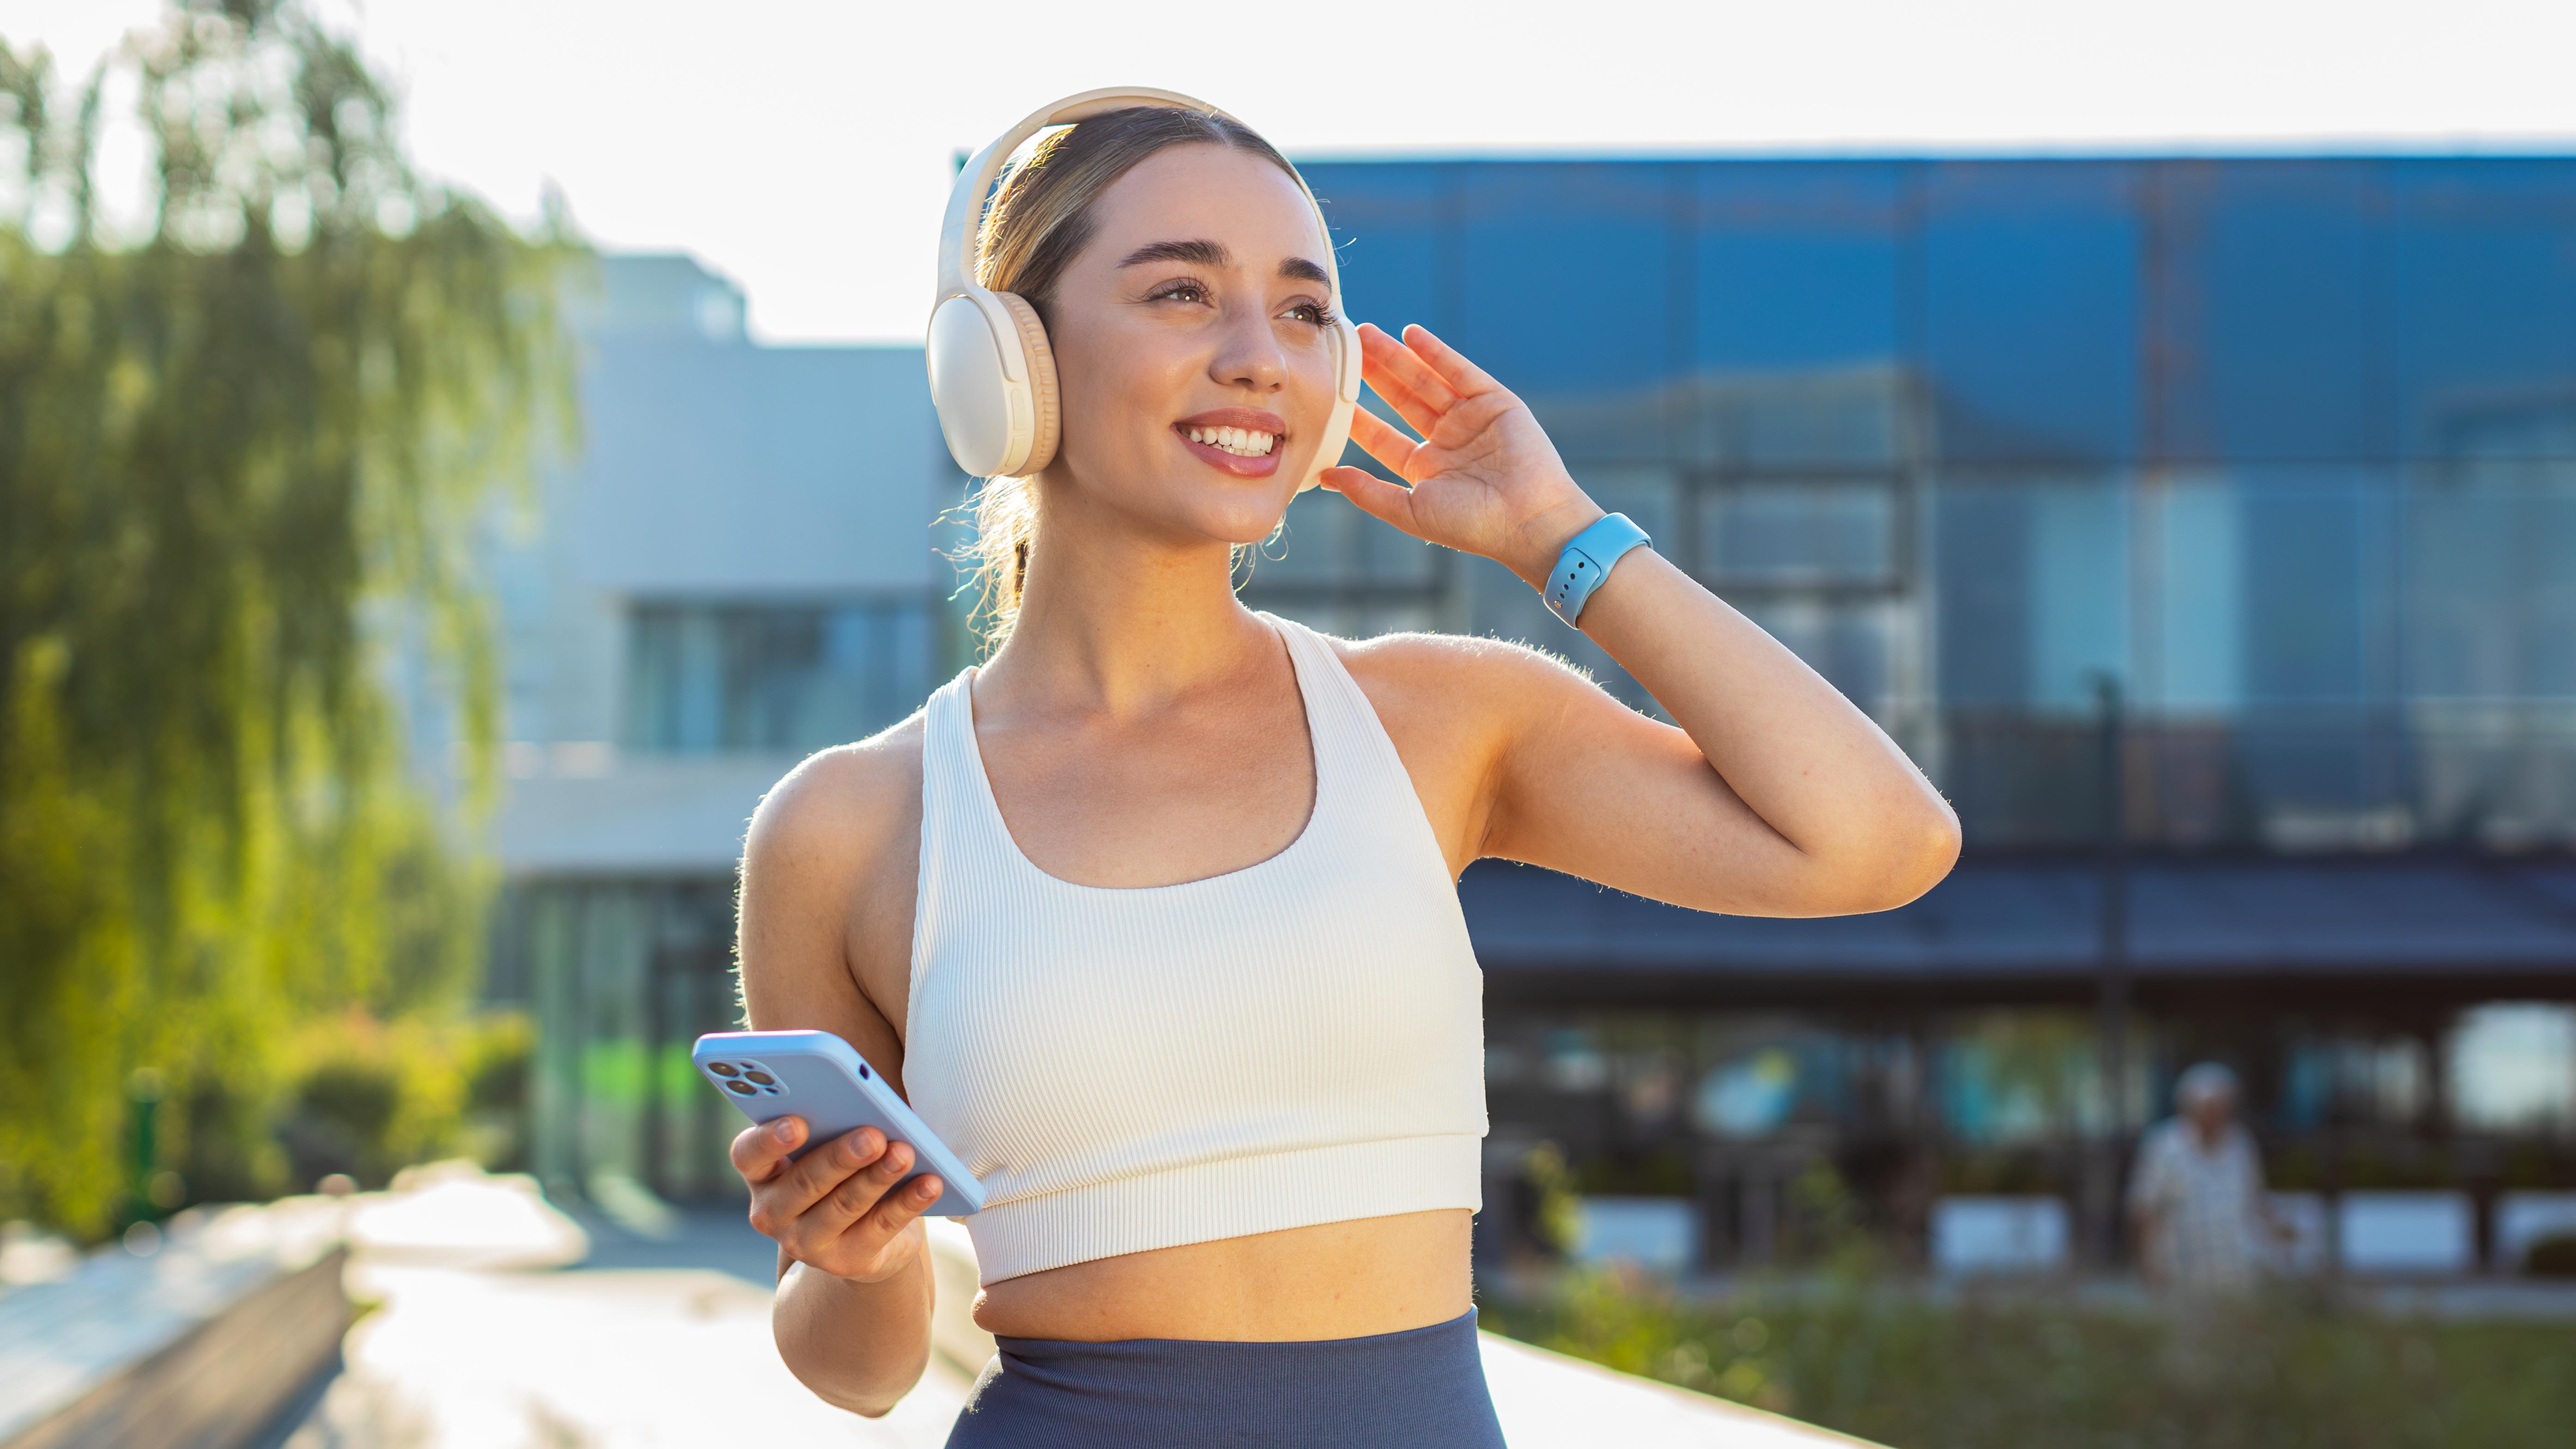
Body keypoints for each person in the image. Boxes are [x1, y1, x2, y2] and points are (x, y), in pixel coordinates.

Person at [725, 91, 1961, 1447]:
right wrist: (860, 1257)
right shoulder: (848, 826)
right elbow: (860, 1371)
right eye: (1182, 292)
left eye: (1305, 310)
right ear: (1008, 359)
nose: (1260, 356)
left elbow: (1878, 842)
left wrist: (1558, 534)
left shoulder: (1440, 721)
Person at [2127, 1062, 2293, 1296]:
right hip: (2181, 1272)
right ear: (2189, 1107)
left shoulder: (2240, 1143)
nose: (2217, 1115)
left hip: (2235, 1271)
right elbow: (2144, 1209)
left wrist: (2279, 1231)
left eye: (2224, 1107)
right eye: (2210, 1107)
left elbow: (2255, 1198)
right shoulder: (2164, 1146)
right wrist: (2148, 1264)